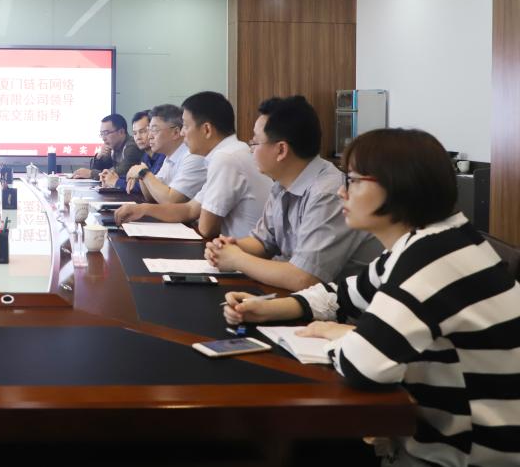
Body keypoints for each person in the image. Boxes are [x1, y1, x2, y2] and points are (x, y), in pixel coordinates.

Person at [224, 128, 520, 466]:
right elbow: (344, 295)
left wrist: (345, 334)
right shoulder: (430, 241)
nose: (341, 192)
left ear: (397, 185)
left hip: (464, 455)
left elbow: (363, 366)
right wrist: (271, 308)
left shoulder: (432, 257)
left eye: (352, 180)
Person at [203, 96, 382, 291]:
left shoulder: (328, 193)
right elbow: (263, 242)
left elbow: (304, 278)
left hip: (341, 305)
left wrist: (237, 259)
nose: (251, 149)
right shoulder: (282, 184)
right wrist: (227, 247)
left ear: (281, 150)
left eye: (255, 142)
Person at [115, 92, 269, 241]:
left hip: (243, 254)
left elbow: (206, 228)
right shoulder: (229, 152)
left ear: (206, 130)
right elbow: (190, 209)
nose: (182, 133)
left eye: (186, 126)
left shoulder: (226, 158)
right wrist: (142, 209)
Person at [123, 103, 206, 203]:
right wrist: (141, 175)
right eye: (149, 130)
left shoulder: (192, 157)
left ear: (176, 133)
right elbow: (151, 197)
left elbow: (171, 201)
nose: (150, 136)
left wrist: (144, 173)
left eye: (154, 130)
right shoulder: (169, 157)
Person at [100, 110, 164, 191]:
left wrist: (116, 181)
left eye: (142, 131)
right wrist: (112, 177)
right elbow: (136, 181)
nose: (138, 137)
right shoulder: (146, 156)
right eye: (135, 133)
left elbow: (151, 187)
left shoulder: (163, 155)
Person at [73, 114, 142, 181]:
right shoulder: (114, 147)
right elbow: (100, 169)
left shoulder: (132, 147)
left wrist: (91, 174)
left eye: (106, 133)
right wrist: (99, 157)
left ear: (121, 132)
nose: (103, 138)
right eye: (102, 134)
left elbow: (118, 174)